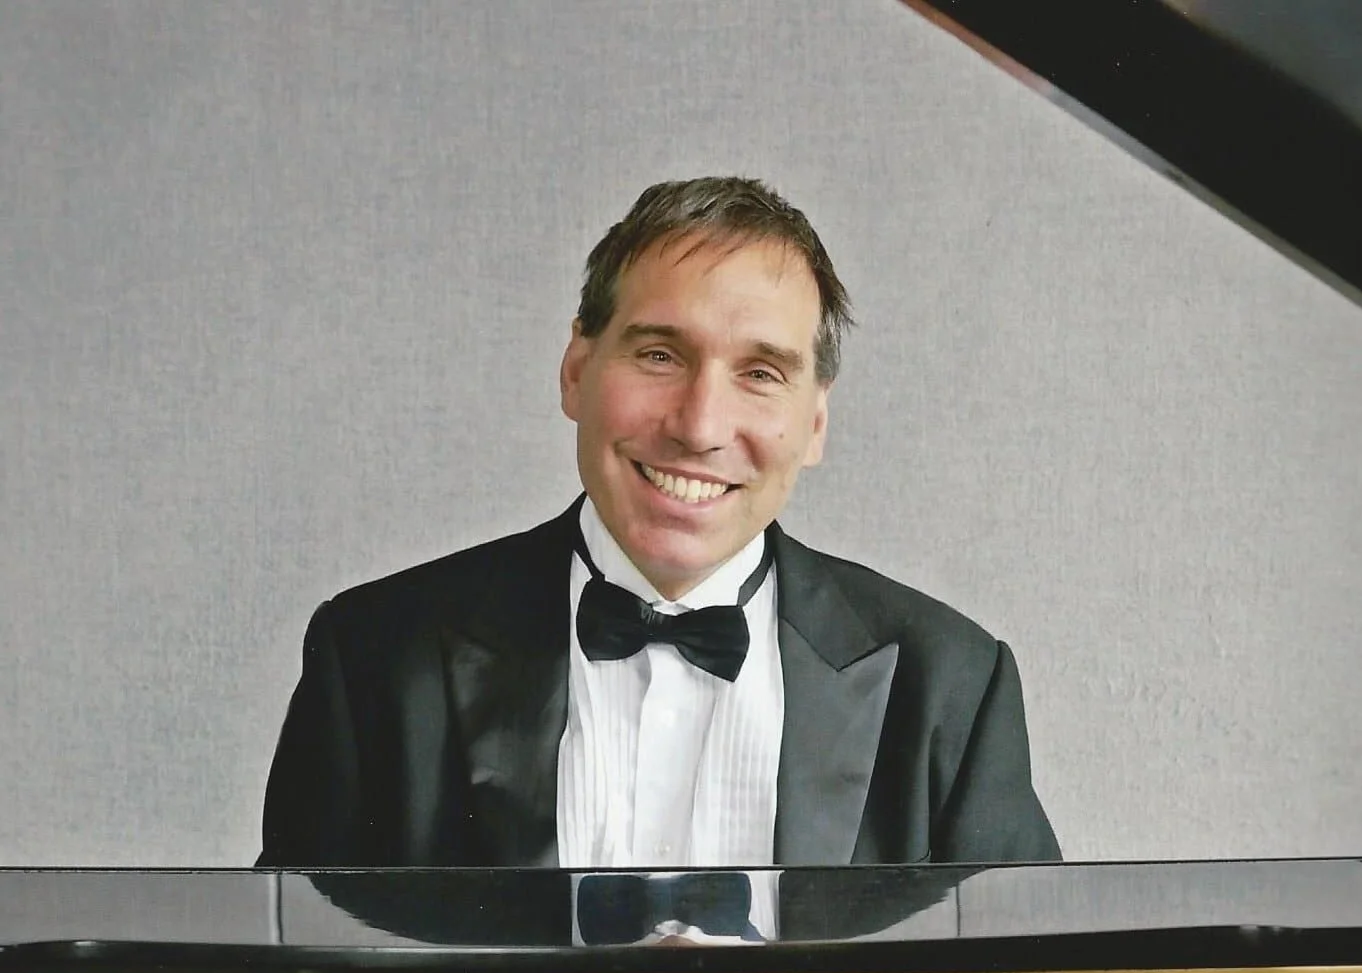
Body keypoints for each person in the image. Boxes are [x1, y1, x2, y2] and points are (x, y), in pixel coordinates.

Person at [259, 177, 1059, 870]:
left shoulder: (952, 683)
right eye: (659, 356)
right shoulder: (372, 657)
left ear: (816, 423)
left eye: (760, 373)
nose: (700, 425)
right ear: (577, 371)